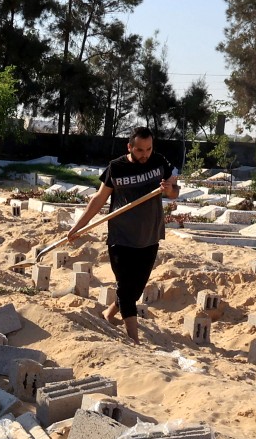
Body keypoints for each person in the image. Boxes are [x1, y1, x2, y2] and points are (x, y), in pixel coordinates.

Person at [63, 126, 179, 343]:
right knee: (126, 290)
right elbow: (98, 199)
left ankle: (108, 315)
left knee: (134, 289)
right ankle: (134, 339)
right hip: (121, 238)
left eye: (148, 149)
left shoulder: (159, 162)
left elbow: (174, 193)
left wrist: (168, 189)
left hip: (150, 236)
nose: (145, 154)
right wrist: (78, 227)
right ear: (129, 147)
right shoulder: (116, 168)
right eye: (140, 150)